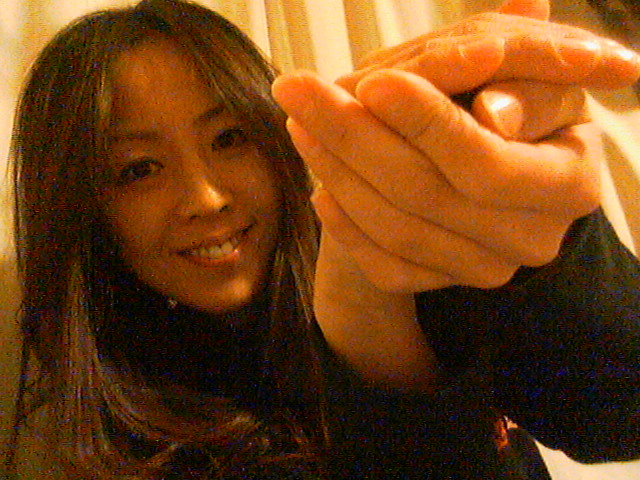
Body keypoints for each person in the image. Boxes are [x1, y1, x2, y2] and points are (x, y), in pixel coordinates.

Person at [4, 0, 639, 478]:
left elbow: (617, 412)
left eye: (229, 138)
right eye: (139, 169)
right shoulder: (98, 443)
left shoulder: (408, 250)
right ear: (82, 210)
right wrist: (372, 344)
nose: (206, 197)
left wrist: (544, 231)